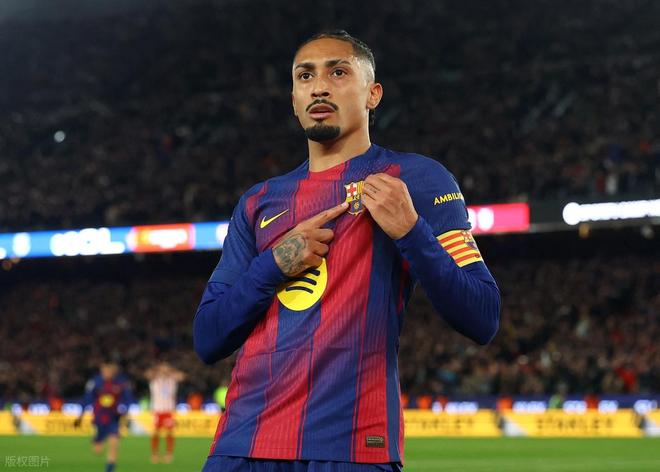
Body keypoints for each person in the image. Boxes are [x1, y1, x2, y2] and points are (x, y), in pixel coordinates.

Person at [193, 30, 500, 471]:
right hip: (241, 446)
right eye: (305, 76)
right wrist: (273, 264)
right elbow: (208, 338)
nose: (319, 86)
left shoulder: (417, 179)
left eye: (338, 72)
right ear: (294, 99)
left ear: (373, 94)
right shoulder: (259, 201)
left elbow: (483, 316)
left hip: (353, 447)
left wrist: (411, 231)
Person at [74, 360, 133, 472]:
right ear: (102, 370)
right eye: (105, 370)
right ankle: (97, 440)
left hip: (114, 418)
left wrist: (125, 412)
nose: (107, 372)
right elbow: (87, 399)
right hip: (99, 418)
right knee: (98, 450)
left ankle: (109, 469)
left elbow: (128, 399)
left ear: (113, 370)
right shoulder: (95, 382)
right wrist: (81, 416)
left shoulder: (121, 382)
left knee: (114, 443)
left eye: (109, 370)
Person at [145, 361, 185, 464]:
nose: (164, 370)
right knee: (155, 432)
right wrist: (158, 370)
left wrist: (170, 371)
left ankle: (169, 454)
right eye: (162, 368)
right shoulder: (155, 378)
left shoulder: (172, 379)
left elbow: (182, 376)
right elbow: (147, 374)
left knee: (169, 432)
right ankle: (154, 454)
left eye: (166, 367)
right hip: (157, 410)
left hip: (168, 410)